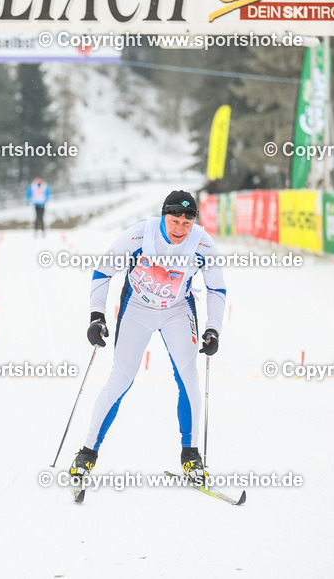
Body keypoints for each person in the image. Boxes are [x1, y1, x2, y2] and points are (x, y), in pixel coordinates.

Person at [68, 190, 227, 485]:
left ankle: (190, 456)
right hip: (136, 310)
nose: (180, 228)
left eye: (186, 223)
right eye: (174, 221)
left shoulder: (202, 243)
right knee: (120, 379)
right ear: (163, 216)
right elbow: (103, 271)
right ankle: (87, 454)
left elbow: (217, 288)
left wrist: (213, 328)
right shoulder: (139, 235)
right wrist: (96, 316)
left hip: (177, 311)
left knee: (188, 378)